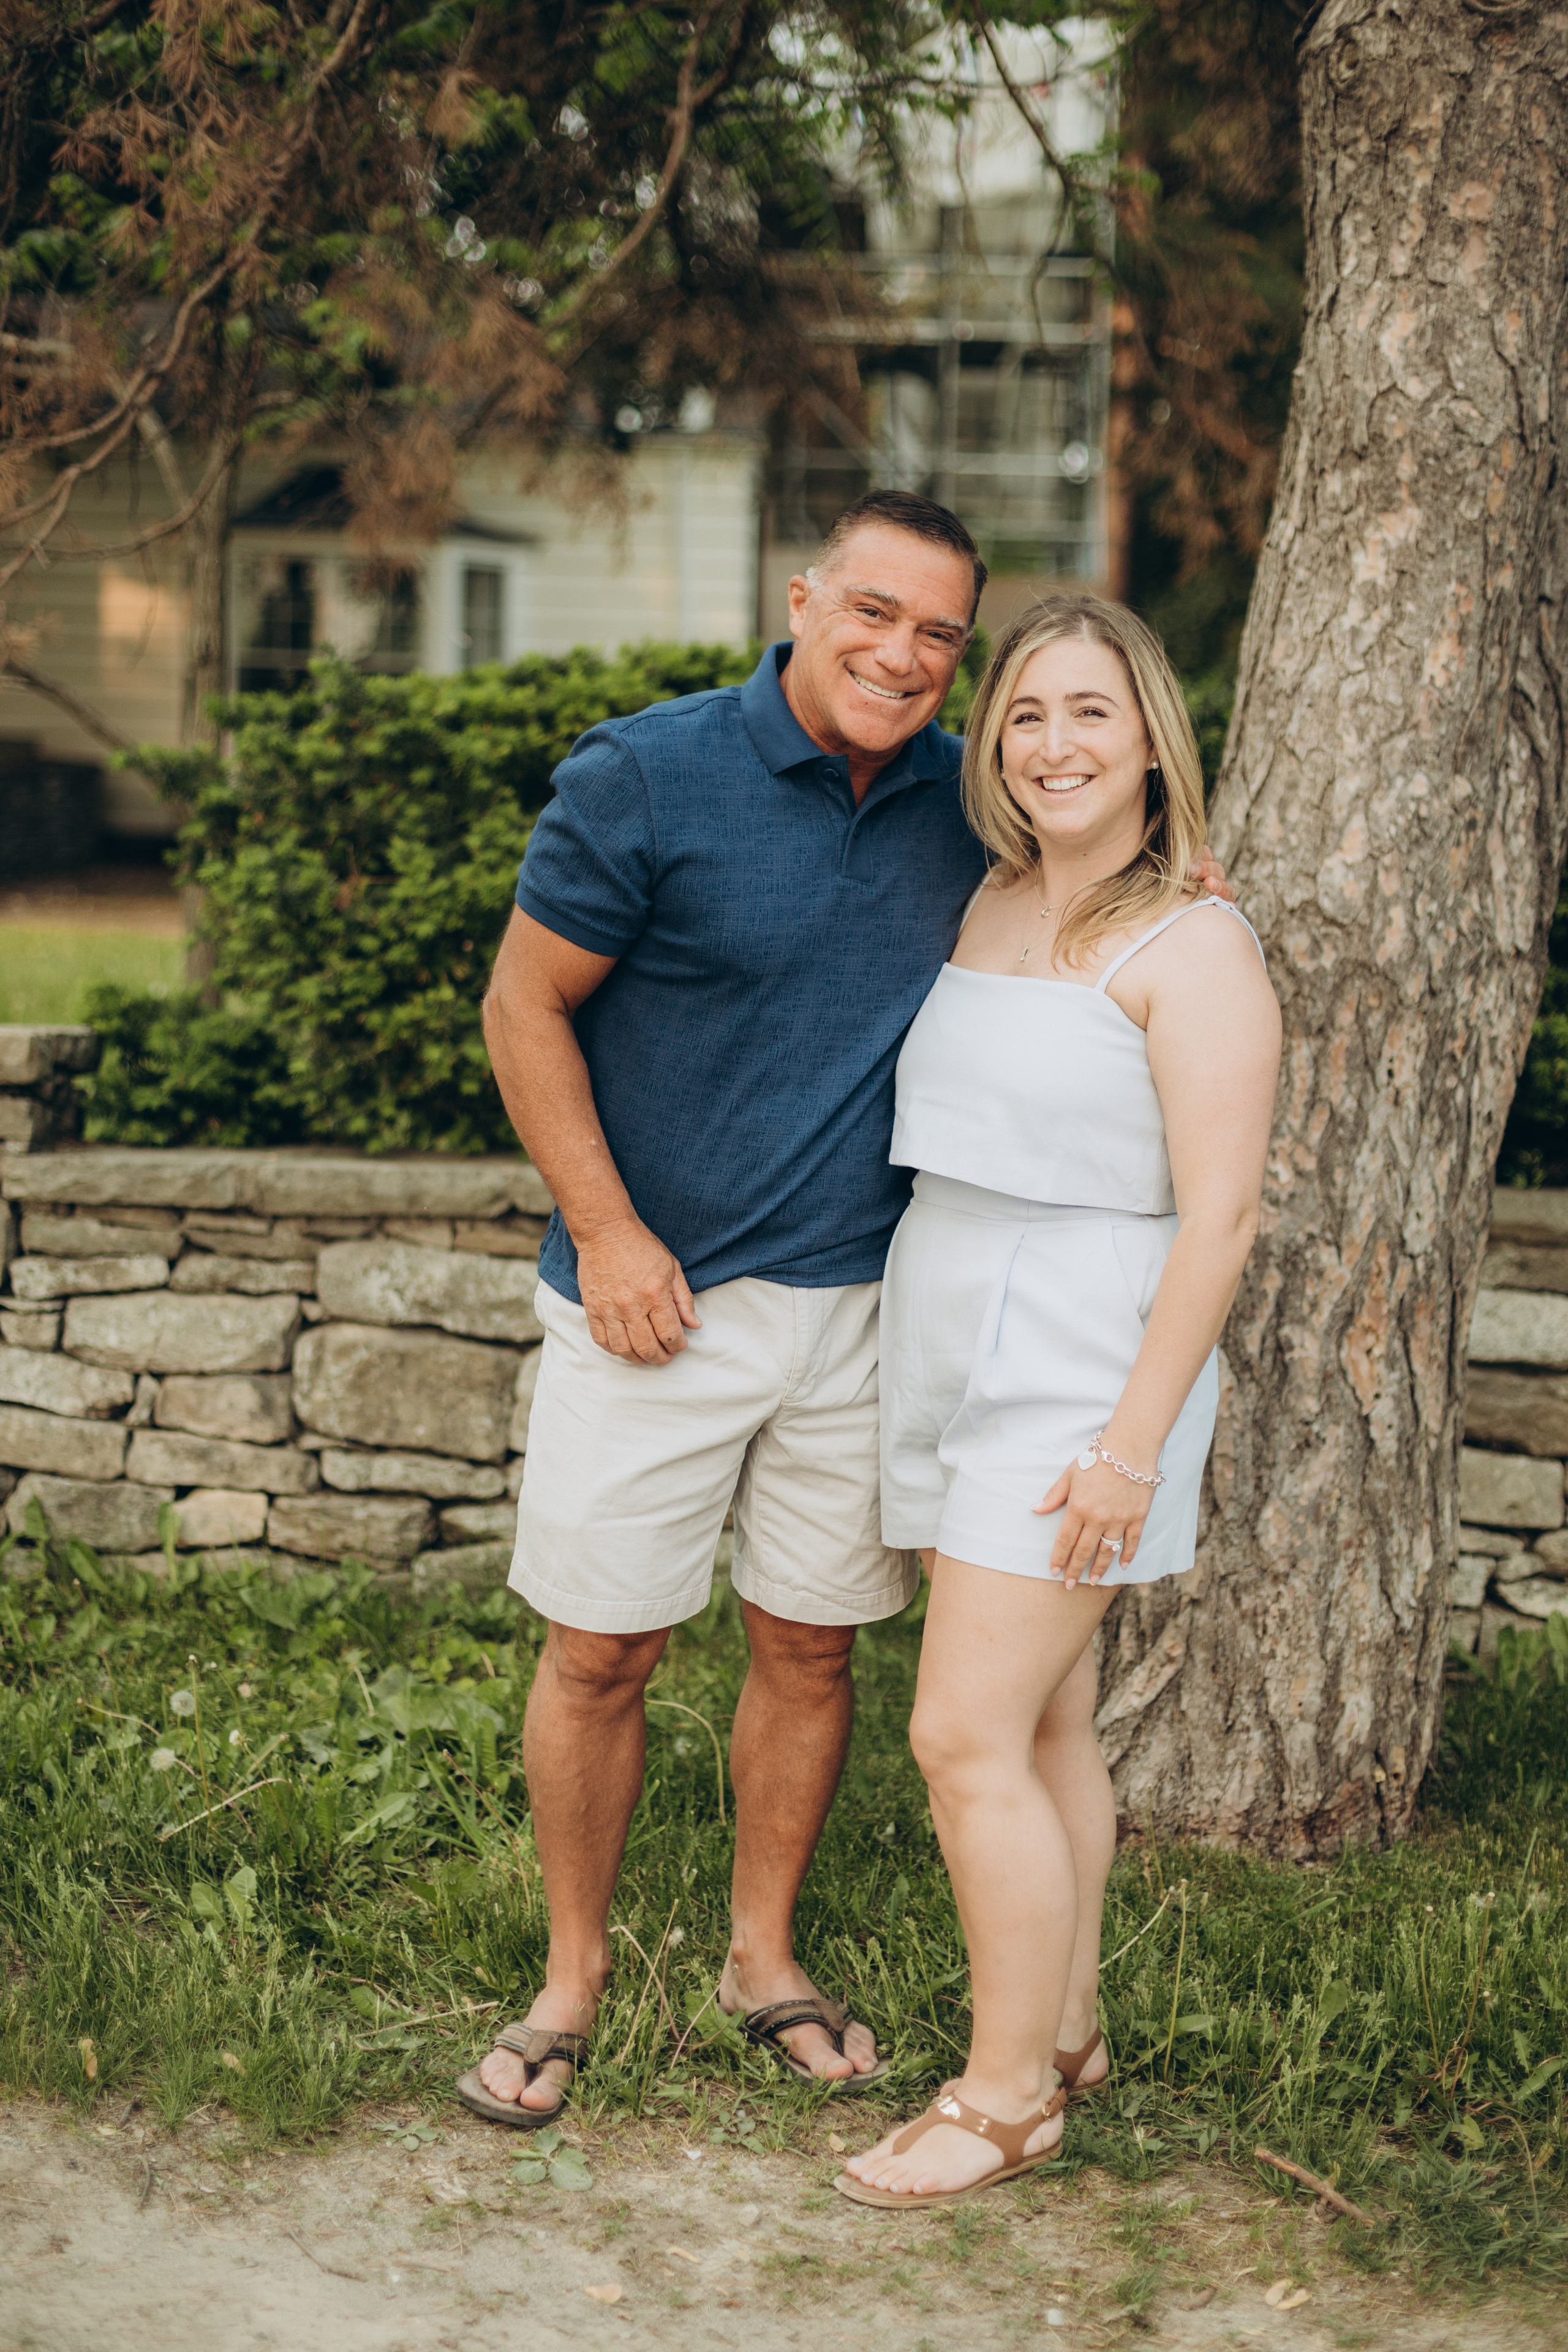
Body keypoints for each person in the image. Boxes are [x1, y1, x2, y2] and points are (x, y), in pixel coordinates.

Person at [463, 499, 1230, 2130]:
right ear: (804, 599)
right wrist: (607, 1231)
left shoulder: (972, 810)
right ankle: (571, 1979)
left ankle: (763, 1958)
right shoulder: (647, 773)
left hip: (868, 1311)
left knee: (811, 1647)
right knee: (601, 1651)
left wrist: (1183, 874)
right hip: (652, 1299)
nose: (900, 653)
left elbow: (1112, 909)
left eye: (940, 633)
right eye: (872, 612)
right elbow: (523, 1003)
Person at [837, 594, 1280, 2210]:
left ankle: (1007, 2097)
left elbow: (1221, 1220)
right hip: (952, 1318)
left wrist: (1127, 1447)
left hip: (1084, 1364)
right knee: (1040, 1724)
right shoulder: (991, 898)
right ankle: (1070, 2028)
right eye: (1025, 713)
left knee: (960, 1735)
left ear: (1152, 734)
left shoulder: (1199, 944)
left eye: (1091, 710)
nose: (1053, 744)